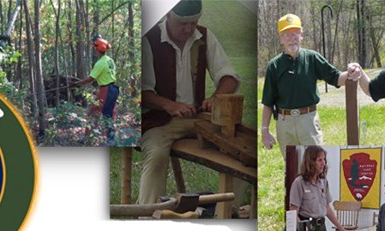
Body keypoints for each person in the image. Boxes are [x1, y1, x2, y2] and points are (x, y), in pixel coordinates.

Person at [139, 0, 246, 214]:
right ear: (167, 15)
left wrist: (216, 97)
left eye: (194, 22)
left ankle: (226, 212)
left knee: (241, 149)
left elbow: (229, 77)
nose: (189, 29)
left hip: (198, 119)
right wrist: (170, 105)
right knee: (157, 154)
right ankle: (147, 214)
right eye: (183, 23)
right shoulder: (149, 39)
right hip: (159, 121)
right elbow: (142, 93)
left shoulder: (204, 36)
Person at [261, 14, 361, 158]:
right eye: (287, 35)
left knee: (316, 166)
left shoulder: (312, 58)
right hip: (285, 123)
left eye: (295, 33)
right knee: (292, 169)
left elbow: (336, 77)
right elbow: (268, 102)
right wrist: (265, 130)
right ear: (281, 38)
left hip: (308, 121)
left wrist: (351, 72)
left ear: (301, 35)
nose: (292, 38)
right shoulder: (274, 66)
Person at [289, 145, 355, 231]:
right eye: (319, 160)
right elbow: (293, 212)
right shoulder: (299, 182)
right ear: (311, 162)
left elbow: (327, 208)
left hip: (321, 228)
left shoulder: (323, 181)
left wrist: (342, 229)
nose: (323, 163)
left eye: (324, 159)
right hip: (306, 228)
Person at [74, 37, 119, 145]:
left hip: (105, 90)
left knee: (94, 113)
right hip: (114, 89)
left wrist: (77, 83)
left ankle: (86, 139)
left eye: (95, 47)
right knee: (109, 115)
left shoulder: (100, 63)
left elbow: (90, 79)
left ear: (96, 49)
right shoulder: (110, 60)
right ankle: (111, 139)